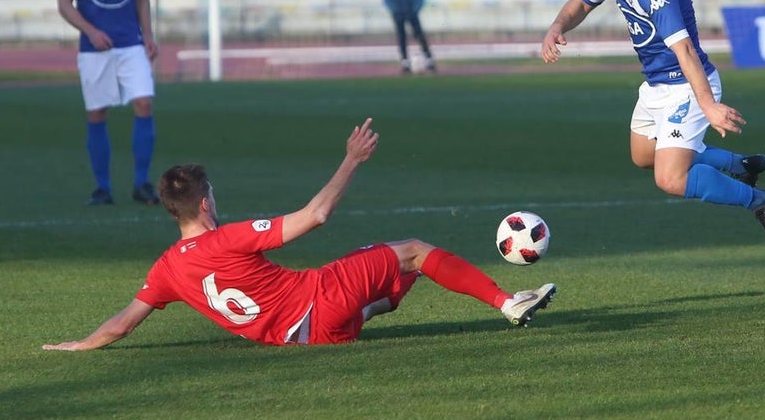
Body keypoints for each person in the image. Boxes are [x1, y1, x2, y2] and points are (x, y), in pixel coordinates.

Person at [43, 118, 556, 350]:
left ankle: (371, 306)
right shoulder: (227, 238)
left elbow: (123, 324)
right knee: (415, 252)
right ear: (204, 204)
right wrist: (350, 160)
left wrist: (83, 344)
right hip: (319, 302)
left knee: (382, 266)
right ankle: (506, 301)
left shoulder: (167, 270)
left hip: (305, 339)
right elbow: (315, 215)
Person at [540, 0, 765, 249]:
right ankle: (741, 164)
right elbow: (583, 1)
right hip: (657, 84)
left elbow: (684, 47)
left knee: (670, 177)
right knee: (643, 155)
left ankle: (764, 201)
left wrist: (708, 106)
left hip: (685, 84)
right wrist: (557, 27)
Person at [57, 0, 160, 206]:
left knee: (143, 103)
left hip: (131, 43)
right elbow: (64, 3)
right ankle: (103, 187)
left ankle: (142, 183)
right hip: (94, 48)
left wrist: (149, 35)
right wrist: (91, 31)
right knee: (97, 113)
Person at [383, 0, 436, 74]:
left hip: (412, 12)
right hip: (398, 13)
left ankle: (429, 60)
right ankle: (405, 62)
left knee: (419, 35)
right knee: (402, 38)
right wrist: (394, 9)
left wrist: (416, 8)